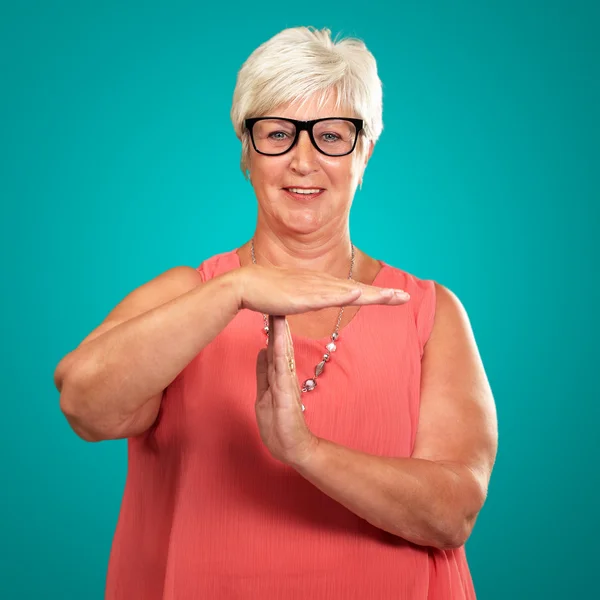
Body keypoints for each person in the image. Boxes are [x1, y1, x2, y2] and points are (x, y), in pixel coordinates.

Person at [54, 26, 497, 600]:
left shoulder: (429, 313)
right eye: (278, 134)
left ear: (365, 151)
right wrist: (233, 291)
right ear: (246, 152)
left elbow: (453, 512)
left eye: (332, 136)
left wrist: (305, 452)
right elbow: (85, 406)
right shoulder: (188, 294)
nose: (303, 161)